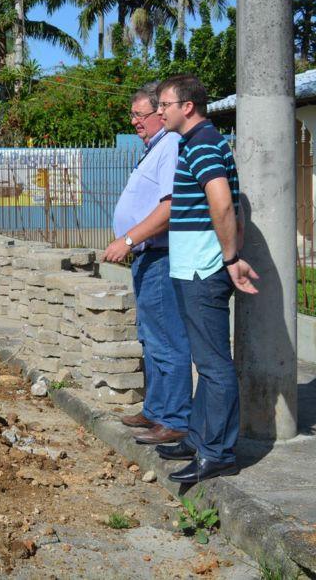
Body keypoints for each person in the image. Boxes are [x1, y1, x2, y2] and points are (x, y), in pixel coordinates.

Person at [153, 74, 258, 483]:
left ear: (188, 107)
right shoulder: (195, 144)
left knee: (214, 366)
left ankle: (218, 452)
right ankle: (197, 440)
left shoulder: (204, 145)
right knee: (205, 362)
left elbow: (222, 203)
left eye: (165, 104)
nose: (160, 111)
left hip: (203, 270)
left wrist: (230, 258)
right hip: (191, 268)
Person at [102, 82, 192, 447]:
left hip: (158, 254)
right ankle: (156, 411)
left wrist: (128, 239)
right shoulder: (154, 148)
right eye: (133, 115)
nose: (135, 122)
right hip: (146, 257)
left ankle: (175, 418)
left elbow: (168, 208)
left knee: (167, 339)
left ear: (161, 112)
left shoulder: (169, 145)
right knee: (150, 338)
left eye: (141, 115)